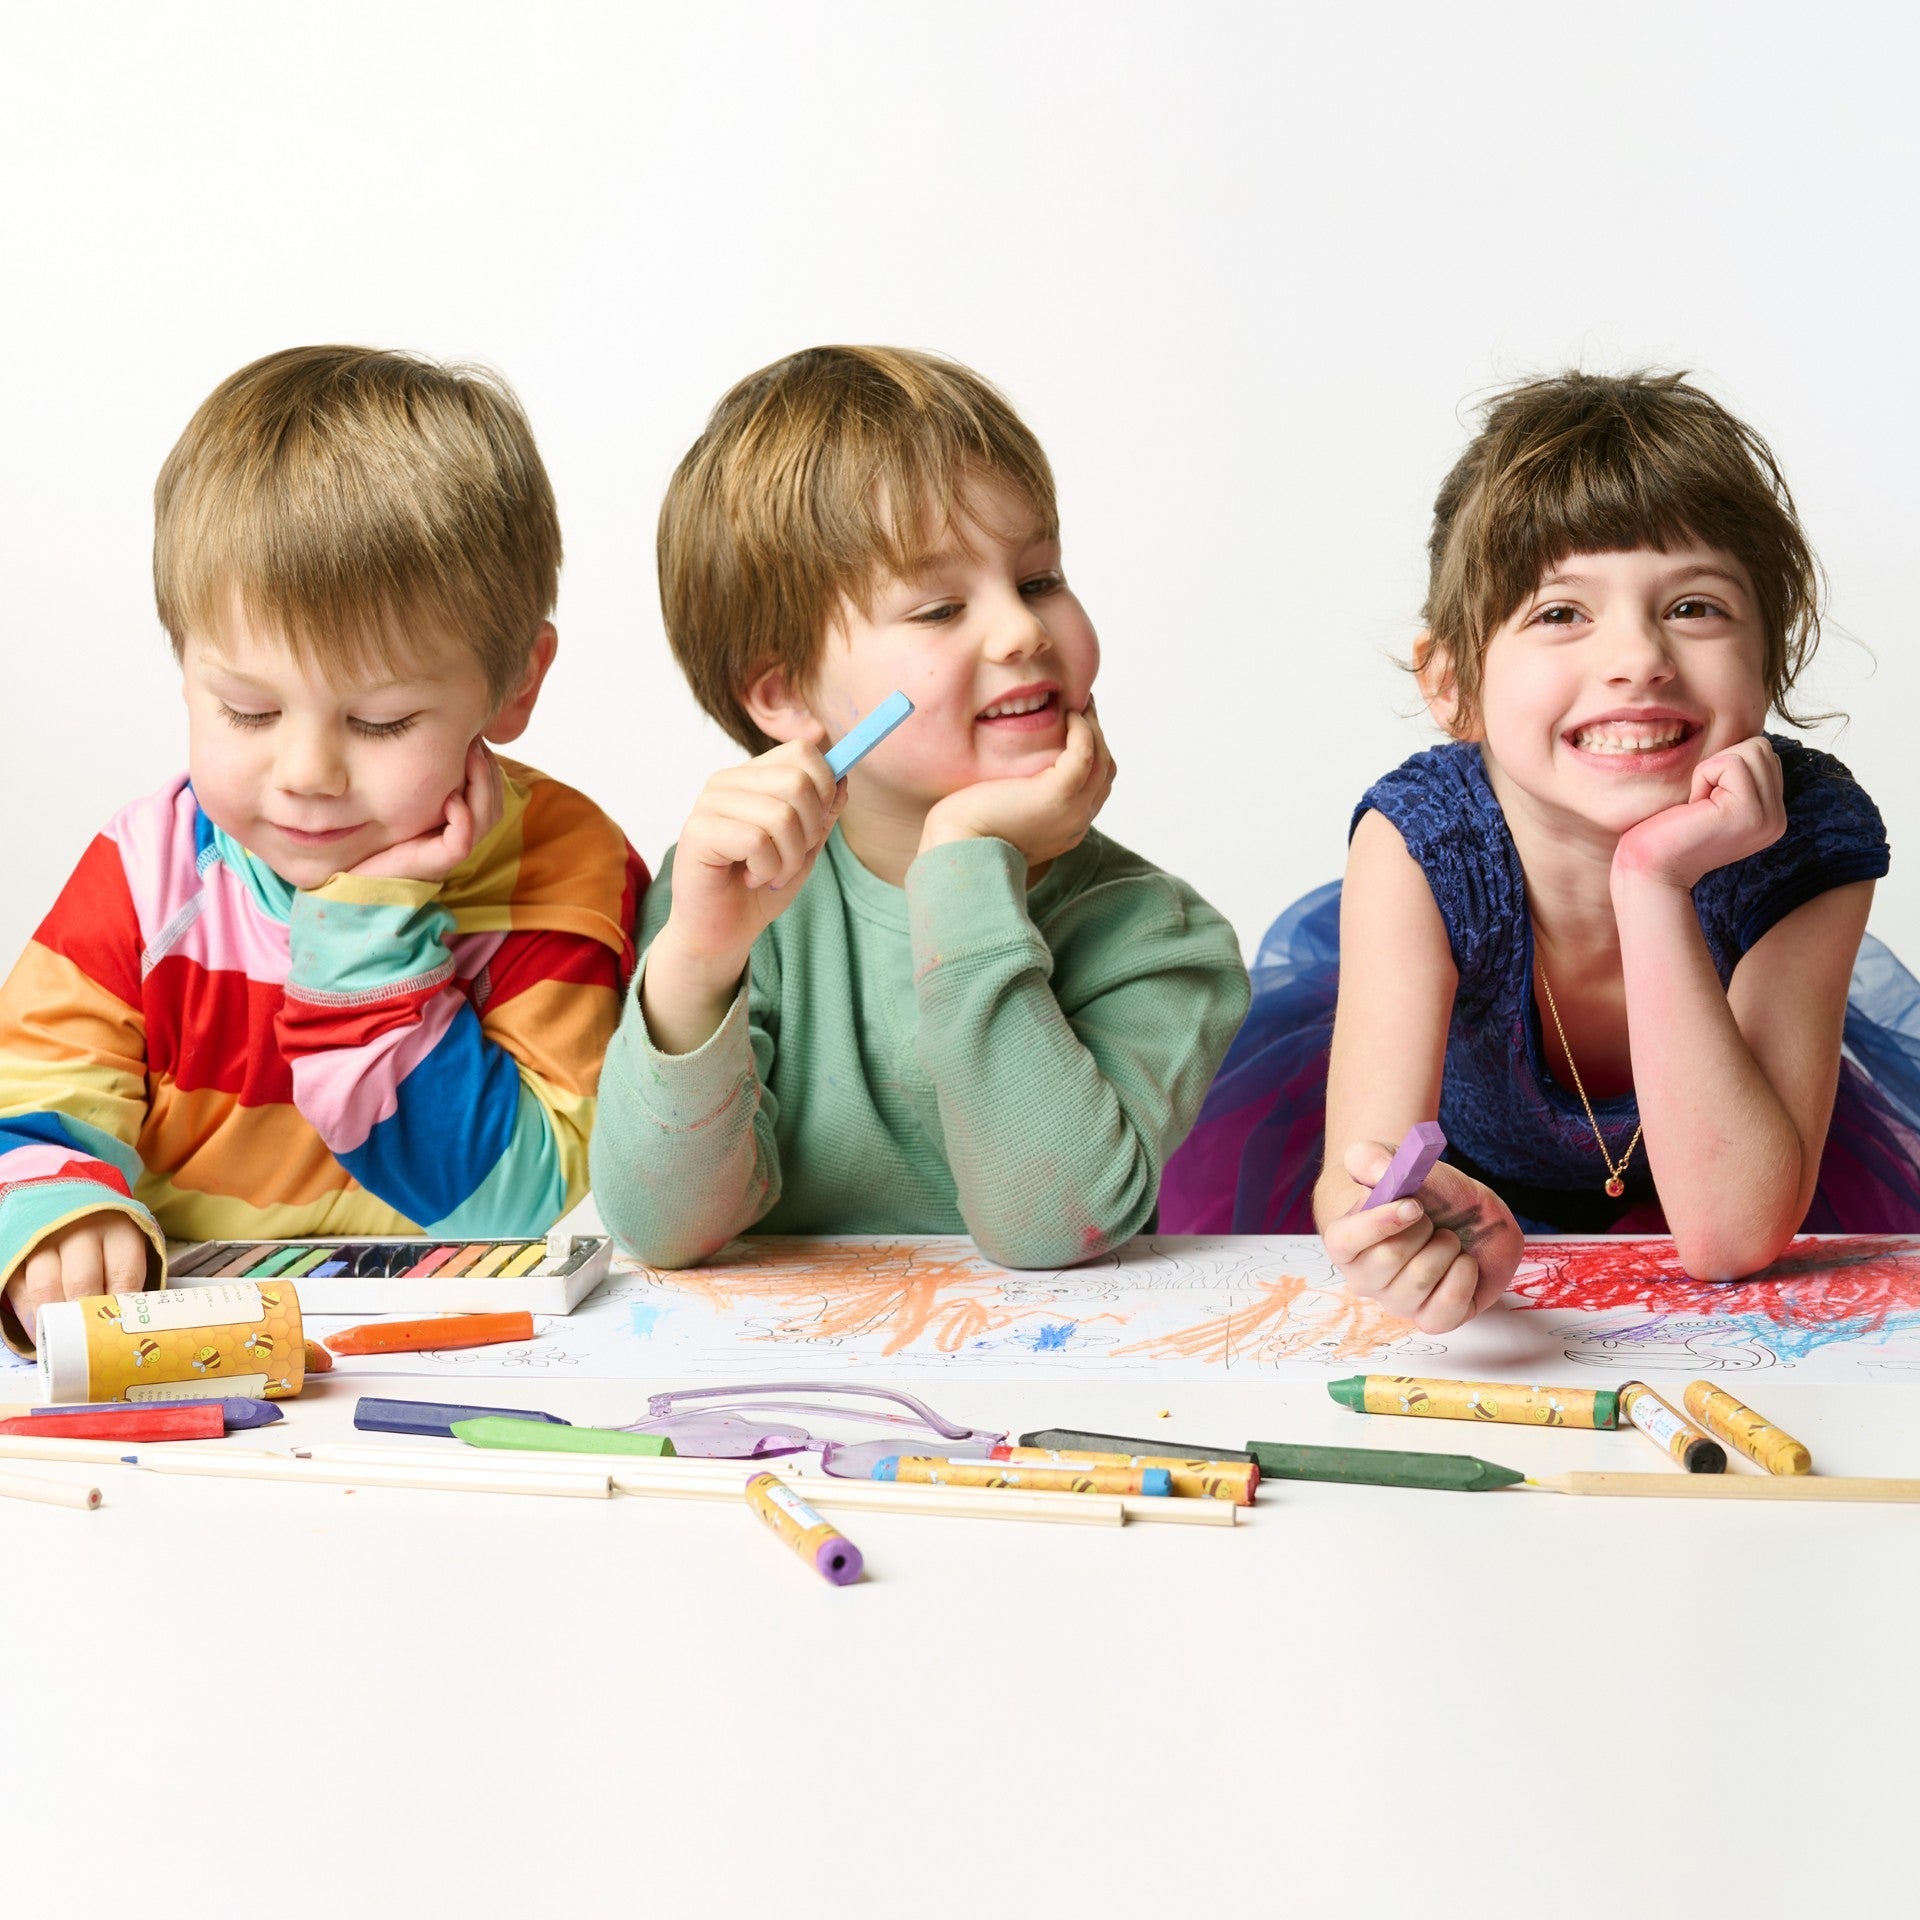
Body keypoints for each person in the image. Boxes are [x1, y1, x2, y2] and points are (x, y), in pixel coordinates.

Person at [1161, 370, 1919, 1327]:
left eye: (1694, 606)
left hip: (1727, 1169)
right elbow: (1361, 1185)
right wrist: (1405, 1242)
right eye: (1560, 612)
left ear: (1768, 656)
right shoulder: (1422, 840)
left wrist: (1652, 878)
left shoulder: (1802, 830)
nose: (1638, 657)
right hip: (1477, 1198)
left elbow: (1731, 1235)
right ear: (1451, 683)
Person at [0, 346, 645, 1351]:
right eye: (246, 709)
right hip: (197, 1369)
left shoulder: (560, 865)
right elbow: (33, 1103)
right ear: (185, 669)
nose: (305, 771)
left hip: (473, 1361)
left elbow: (514, 1205)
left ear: (516, 686)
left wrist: (363, 938)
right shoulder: (145, 872)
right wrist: (57, 1220)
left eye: (381, 722)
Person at [591, 345, 1249, 1269]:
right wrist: (699, 959)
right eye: (940, 609)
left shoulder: (1159, 939)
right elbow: (665, 1232)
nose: (1022, 630)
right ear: (784, 697)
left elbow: (1048, 1228)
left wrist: (963, 861)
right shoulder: (735, 905)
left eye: (1039, 581)